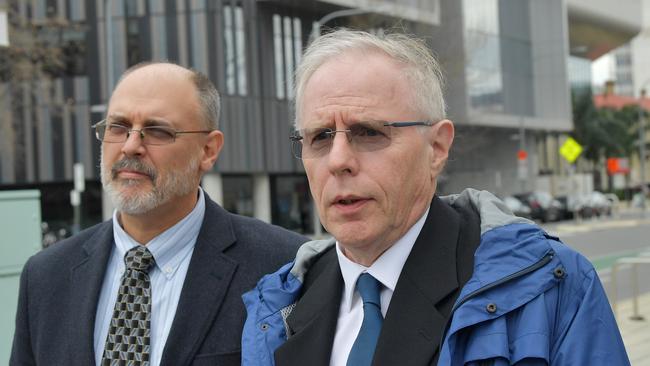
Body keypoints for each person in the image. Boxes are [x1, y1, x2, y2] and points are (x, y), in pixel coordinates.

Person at [241, 29, 630, 365]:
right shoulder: (276, 309)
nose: (339, 160)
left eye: (369, 132)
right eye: (320, 136)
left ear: (437, 148)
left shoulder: (551, 289)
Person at [11, 62, 306, 366]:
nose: (130, 146)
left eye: (157, 131)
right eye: (118, 127)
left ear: (208, 150)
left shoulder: (283, 265)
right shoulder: (46, 277)